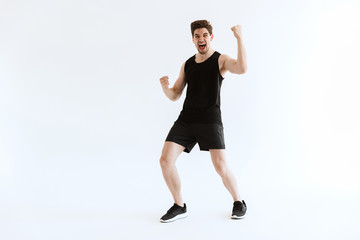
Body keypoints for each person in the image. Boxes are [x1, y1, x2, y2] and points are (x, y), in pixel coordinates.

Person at [159, 20, 247, 223]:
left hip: (210, 120)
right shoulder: (188, 64)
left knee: (220, 166)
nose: (201, 39)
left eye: (205, 35)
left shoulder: (220, 60)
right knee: (165, 161)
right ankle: (179, 206)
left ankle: (239, 202)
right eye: (197, 36)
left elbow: (242, 68)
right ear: (193, 39)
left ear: (211, 37)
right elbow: (175, 95)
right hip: (186, 120)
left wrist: (239, 38)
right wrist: (165, 87)